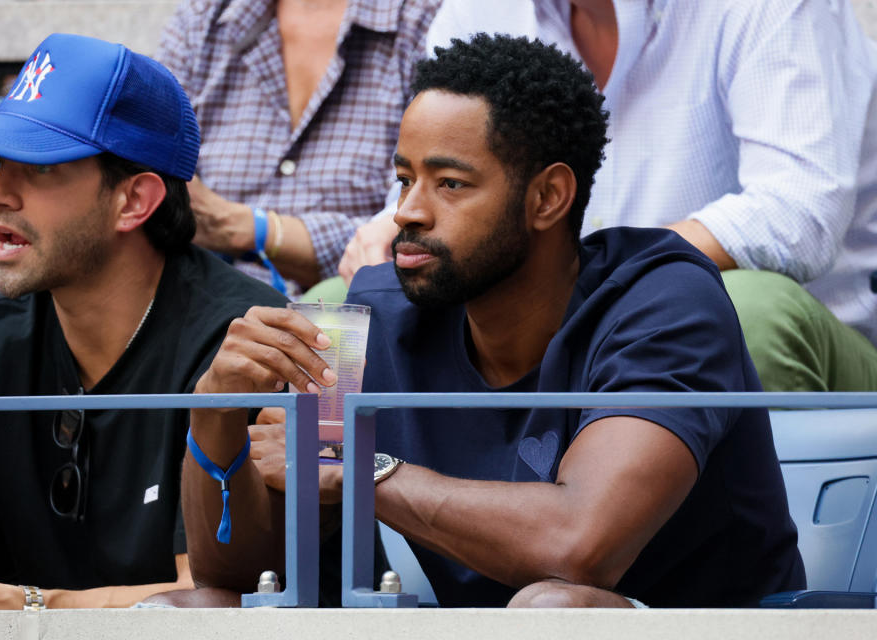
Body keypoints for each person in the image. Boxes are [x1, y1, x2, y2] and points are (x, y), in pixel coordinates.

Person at [180, 34, 804, 608]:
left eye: (449, 184)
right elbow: (243, 578)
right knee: (190, 611)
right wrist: (214, 412)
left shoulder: (664, 305)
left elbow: (580, 546)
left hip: (694, 624)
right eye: (404, 179)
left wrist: (367, 467)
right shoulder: (368, 318)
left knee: (553, 609)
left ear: (547, 198)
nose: (407, 212)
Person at [0, 33, 286, 609]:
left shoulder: (237, 345)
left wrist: (2, 606)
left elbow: (210, 601)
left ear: (135, 200)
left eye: (36, 168)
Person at [340, 0, 877, 391]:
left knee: (742, 311)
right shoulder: (480, 11)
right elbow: (441, 177)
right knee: (349, 306)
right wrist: (394, 223)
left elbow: (797, 215)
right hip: (551, 309)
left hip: (805, 341)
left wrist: (592, 280)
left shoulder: (771, 8)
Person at [155, 0, 441, 297]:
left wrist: (244, 228)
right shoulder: (205, 18)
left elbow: (411, 223)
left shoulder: (424, 20)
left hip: (353, 320)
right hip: (205, 306)